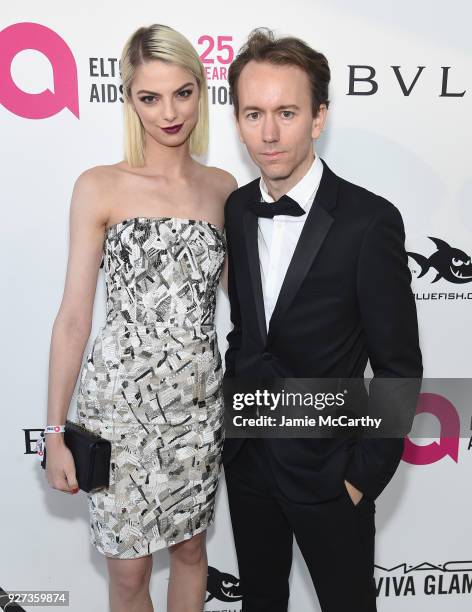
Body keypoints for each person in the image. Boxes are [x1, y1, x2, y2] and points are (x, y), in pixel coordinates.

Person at [222, 28, 423, 612]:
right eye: (253, 113)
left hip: (330, 472)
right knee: (262, 601)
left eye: (286, 112)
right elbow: (250, 333)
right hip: (248, 459)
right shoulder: (237, 207)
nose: (269, 132)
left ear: (318, 117)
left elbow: (398, 365)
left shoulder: (369, 221)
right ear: (237, 121)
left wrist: (360, 477)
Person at [42, 24, 236, 612]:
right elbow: (75, 315)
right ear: (128, 99)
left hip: (198, 410)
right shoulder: (99, 186)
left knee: (191, 557)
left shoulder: (224, 189)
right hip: (117, 413)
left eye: (182, 92)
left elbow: (249, 308)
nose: (169, 112)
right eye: (149, 97)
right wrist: (53, 433)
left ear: (201, 92)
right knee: (127, 578)